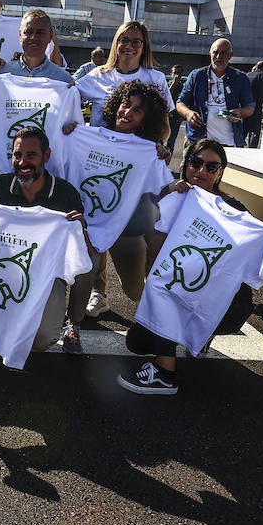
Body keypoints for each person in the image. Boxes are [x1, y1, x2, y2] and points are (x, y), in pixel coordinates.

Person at [119, 139, 263, 394]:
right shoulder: (177, 197)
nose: (201, 171)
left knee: (170, 289)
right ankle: (188, 333)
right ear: (186, 164)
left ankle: (165, 375)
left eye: (211, 167)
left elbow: (262, 272)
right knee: (137, 343)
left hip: (226, 304)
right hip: (185, 286)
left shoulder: (239, 215)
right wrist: (166, 194)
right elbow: (145, 239)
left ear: (220, 172)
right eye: (196, 163)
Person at [0, 125, 89, 366]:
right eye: (17, 155)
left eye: (31, 155)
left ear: (46, 156)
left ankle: (73, 323)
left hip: (45, 273)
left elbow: (78, 246)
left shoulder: (64, 192)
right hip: (5, 263)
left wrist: (78, 229)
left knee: (41, 340)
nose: (22, 161)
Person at [61, 80, 171, 353]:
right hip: (85, 224)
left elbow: (163, 190)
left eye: (137, 110)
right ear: (115, 104)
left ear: (146, 118)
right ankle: (73, 325)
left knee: (135, 290)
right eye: (125, 104)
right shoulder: (86, 135)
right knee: (87, 264)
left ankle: (161, 323)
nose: (127, 112)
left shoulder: (148, 151)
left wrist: (162, 158)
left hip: (128, 229)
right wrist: (67, 133)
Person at [74, 21, 171, 125]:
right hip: (98, 141)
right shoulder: (98, 75)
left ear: (144, 47)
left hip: (138, 142)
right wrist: (73, 123)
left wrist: (160, 141)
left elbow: (164, 125)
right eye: (124, 41)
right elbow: (66, 97)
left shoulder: (156, 78)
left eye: (136, 42)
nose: (129, 46)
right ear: (116, 44)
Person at [175, 38, 254, 148]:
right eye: (215, 52)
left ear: (230, 55)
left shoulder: (240, 78)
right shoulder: (196, 75)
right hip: (198, 141)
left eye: (223, 53)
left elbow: (250, 107)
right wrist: (188, 113)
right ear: (210, 54)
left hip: (229, 143)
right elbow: (180, 103)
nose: (218, 57)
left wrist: (240, 112)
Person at [0, 9, 74, 84]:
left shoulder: (64, 81)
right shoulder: (1, 75)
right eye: (28, 32)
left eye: (40, 32)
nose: (34, 37)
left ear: (50, 36)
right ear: (20, 35)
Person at [244, 60, 263, 148]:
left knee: (245, 128)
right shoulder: (262, 75)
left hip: (245, 106)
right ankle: (251, 150)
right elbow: (262, 93)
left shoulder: (247, 74)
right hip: (256, 107)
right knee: (255, 131)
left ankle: (239, 149)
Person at [164, 64, 186, 154]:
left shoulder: (183, 87)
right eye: (174, 73)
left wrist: (182, 118)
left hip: (176, 119)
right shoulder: (167, 84)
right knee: (158, 140)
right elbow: (166, 96)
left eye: (179, 73)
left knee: (171, 143)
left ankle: (167, 163)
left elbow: (186, 102)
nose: (177, 75)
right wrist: (174, 83)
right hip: (165, 118)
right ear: (171, 74)